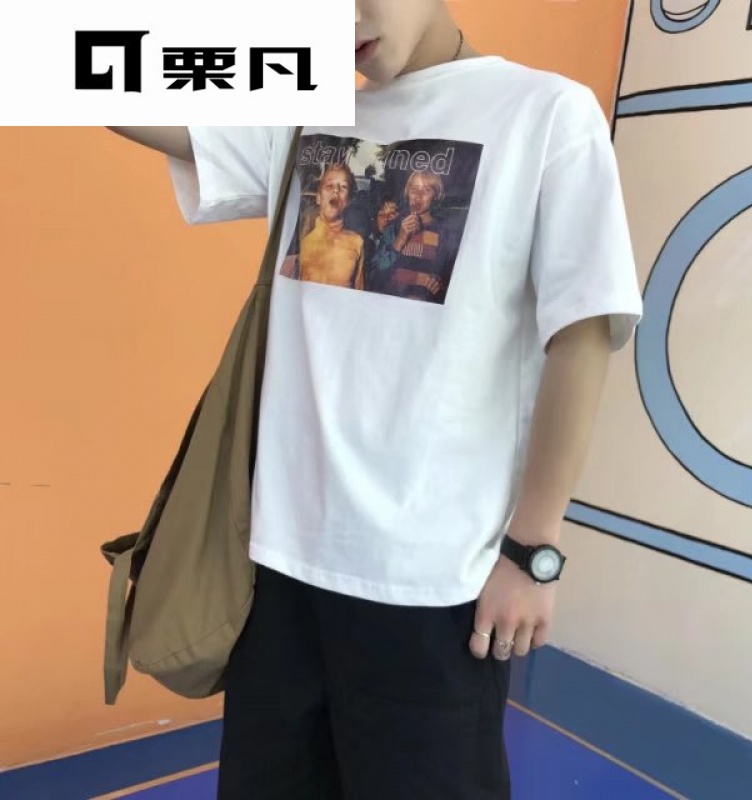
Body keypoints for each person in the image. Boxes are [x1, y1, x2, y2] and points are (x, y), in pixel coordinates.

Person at [105, 0, 643, 797]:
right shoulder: (303, 116)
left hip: (432, 583)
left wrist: (533, 551)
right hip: (273, 568)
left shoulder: (544, 112)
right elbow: (103, 86)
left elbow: (584, 333)